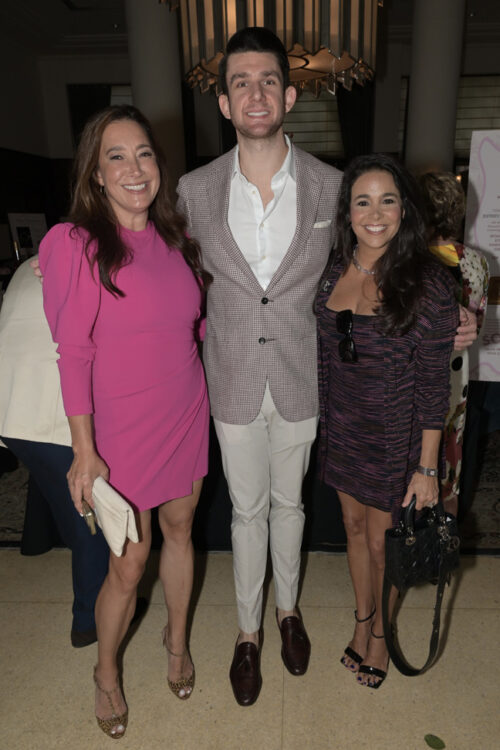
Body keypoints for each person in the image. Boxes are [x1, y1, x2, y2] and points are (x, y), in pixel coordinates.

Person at [177, 27, 343, 706]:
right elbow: (172, 281)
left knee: (292, 504)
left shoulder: (333, 187)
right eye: (240, 81)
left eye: (268, 80)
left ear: (291, 94)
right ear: (222, 102)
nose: (255, 92)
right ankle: (248, 634)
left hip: (302, 374)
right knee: (246, 512)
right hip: (233, 377)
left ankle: (288, 613)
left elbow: (367, 270)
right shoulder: (192, 190)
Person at [39, 105, 211, 738]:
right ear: (96, 174)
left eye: (144, 153)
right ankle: (106, 673)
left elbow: (190, 328)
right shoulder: (75, 244)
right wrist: (84, 452)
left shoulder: (177, 242)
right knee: (129, 563)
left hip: (186, 409)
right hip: (120, 429)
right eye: (116, 156)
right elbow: (73, 352)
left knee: (182, 528)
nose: (134, 168)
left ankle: (176, 642)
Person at [315, 153, 459, 689]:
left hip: (395, 438)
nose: (375, 213)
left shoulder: (427, 283)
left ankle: (380, 633)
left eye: (388, 200)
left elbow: (432, 386)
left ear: (405, 210)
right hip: (343, 430)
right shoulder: (337, 266)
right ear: (347, 211)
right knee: (353, 530)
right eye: (363, 201)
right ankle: (361, 619)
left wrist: (427, 469)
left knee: (382, 544)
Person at [0, 259, 109, 647]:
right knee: (92, 527)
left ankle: (40, 542)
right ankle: (90, 622)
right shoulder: (88, 266)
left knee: (65, 501)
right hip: (49, 414)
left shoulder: (28, 267)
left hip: (11, 410)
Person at [419, 171, 489, 517]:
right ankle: (444, 549)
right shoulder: (477, 263)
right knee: (451, 459)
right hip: (456, 377)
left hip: (417, 375)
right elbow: (478, 323)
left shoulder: (409, 262)